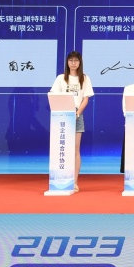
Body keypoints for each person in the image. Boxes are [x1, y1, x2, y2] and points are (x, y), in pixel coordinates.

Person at [49, 51, 94, 190]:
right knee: (61, 147)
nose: (73, 63)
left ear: (80, 63)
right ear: (67, 62)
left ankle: (74, 182)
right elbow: (53, 95)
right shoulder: (60, 78)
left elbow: (86, 99)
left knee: (75, 149)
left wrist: (77, 113)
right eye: (71, 60)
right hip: (61, 115)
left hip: (77, 115)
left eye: (76, 60)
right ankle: (60, 179)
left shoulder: (85, 78)